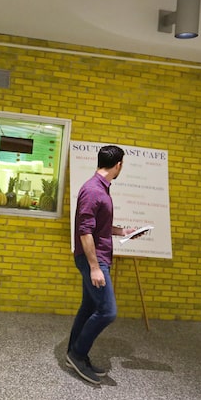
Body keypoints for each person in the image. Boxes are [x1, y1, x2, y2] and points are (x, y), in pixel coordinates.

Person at [66, 145, 128, 384]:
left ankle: (75, 353)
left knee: (89, 307)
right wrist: (94, 267)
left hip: (97, 257)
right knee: (107, 311)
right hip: (93, 259)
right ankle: (78, 353)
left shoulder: (100, 188)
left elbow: (98, 226)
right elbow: (85, 231)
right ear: (118, 165)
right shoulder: (93, 190)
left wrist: (123, 231)